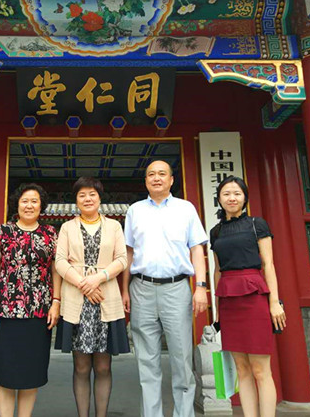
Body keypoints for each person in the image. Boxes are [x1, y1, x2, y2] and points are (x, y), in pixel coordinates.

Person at [122, 160, 208, 417]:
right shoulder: (135, 211)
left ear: (171, 180)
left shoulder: (186, 208)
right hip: (141, 288)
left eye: (162, 174)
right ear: (146, 181)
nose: (156, 178)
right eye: (151, 174)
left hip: (177, 288)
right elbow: (128, 252)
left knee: (181, 358)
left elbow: (197, 249)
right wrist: (124, 289)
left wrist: (201, 286)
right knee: (146, 361)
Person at [210, 176, 286, 417]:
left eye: (237, 193)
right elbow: (217, 270)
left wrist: (274, 302)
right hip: (228, 300)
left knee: (261, 369)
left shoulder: (257, 224)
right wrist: (217, 309)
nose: (232, 198)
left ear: (245, 198)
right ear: (219, 199)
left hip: (254, 297)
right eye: (226, 194)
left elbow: (269, 264)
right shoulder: (216, 231)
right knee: (241, 369)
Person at [0, 183, 61, 417]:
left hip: (39, 311)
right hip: (5, 310)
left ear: (41, 205)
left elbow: (56, 270)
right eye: (24, 201)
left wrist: (56, 301)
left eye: (34, 201)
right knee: (4, 372)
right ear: (17, 204)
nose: (29, 205)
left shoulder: (50, 233)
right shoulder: (3, 231)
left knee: (31, 373)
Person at [55, 177, 130, 417]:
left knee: (103, 366)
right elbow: (60, 261)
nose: (87, 199)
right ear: (76, 200)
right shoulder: (67, 228)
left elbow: (122, 259)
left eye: (92, 194)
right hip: (77, 301)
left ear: (99, 198)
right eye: (82, 195)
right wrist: (84, 284)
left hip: (105, 299)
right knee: (81, 366)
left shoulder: (114, 226)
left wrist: (98, 278)